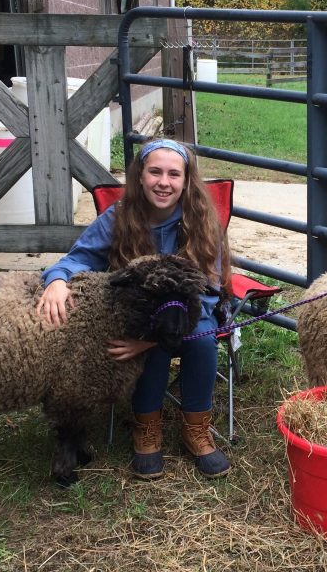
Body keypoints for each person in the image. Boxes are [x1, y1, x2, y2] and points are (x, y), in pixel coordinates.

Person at [37, 138, 232, 480]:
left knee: (201, 341)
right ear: (140, 176)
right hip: (141, 318)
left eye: (174, 174)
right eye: (154, 171)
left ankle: (197, 427)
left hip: (191, 317)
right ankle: (146, 428)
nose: (163, 182)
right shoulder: (120, 217)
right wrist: (57, 279)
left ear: (186, 181)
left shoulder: (202, 222)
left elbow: (210, 290)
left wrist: (159, 339)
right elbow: (78, 257)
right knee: (145, 348)